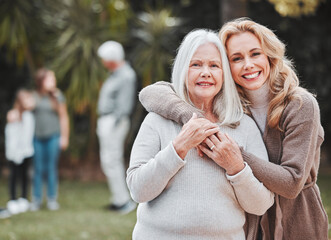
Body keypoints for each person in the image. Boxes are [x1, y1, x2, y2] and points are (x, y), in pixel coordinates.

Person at [138, 18, 329, 240]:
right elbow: (151, 93)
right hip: (250, 221)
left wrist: (231, 152)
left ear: (270, 55)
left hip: (295, 218)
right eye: (236, 58)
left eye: (255, 54)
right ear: (226, 66)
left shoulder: (299, 105)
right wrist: (196, 121)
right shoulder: (231, 105)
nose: (248, 65)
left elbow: (291, 182)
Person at [127, 29, 274, 240]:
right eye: (196, 64)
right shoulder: (157, 120)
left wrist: (235, 167)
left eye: (214, 65)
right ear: (182, 70)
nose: (206, 72)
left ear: (224, 74)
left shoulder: (244, 125)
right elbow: (138, 190)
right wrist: (178, 148)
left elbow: (261, 206)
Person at [97, 40, 137, 214]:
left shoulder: (126, 75)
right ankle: (117, 198)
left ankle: (123, 201)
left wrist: (114, 124)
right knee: (108, 161)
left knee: (112, 159)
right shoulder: (114, 74)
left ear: (111, 59)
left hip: (115, 122)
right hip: (108, 121)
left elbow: (125, 104)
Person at [30, 68, 70, 211]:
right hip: (36, 137)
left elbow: (63, 117)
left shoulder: (58, 97)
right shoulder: (33, 96)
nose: (54, 81)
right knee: (37, 169)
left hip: (53, 136)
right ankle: (36, 199)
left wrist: (64, 137)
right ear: (41, 81)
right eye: (50, 79)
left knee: (51, 168)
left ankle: (52, 199)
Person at [0, 89, 35, 218]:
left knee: (25, 175)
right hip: (14, 152)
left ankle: (24, 199)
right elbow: (12, 135)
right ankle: (13, 200)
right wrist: (15, 152)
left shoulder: (29, 116)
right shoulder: (13, 114)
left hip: (26, 151)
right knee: (14, 176)